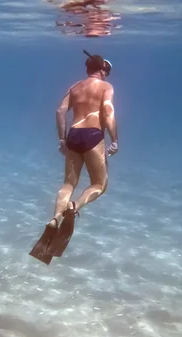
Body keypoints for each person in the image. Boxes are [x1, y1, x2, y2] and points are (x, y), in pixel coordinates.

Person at [30, 50, 118, 265]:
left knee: (68, 183)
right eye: (106, 70)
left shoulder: (75, 87)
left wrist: (62, 139)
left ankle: (54, 218)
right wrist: (115, 139)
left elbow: (60, 111)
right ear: (102, 71)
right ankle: (74, 207)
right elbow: (107, 111)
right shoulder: (105, 87)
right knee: (99, 183)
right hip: (93, 135)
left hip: (74, 135)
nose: (107, 74)